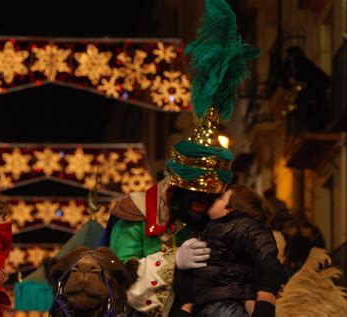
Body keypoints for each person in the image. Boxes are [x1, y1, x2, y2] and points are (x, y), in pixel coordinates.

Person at [106, 0, 260, 315]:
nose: (203, 204)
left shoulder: (222, 215)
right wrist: (172, 261)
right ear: (176, 187)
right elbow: (115, 276)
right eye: (197, 196)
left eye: (210, 195)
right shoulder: (136, 211)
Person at [174, 185, 285, 317]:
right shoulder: (210, 229)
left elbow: (266, 255)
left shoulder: (240, 225)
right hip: (209, 304)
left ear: (229, 209)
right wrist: (187, 306)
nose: (212, 199)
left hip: (226, 306)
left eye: (220, 198)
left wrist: (265, 299)